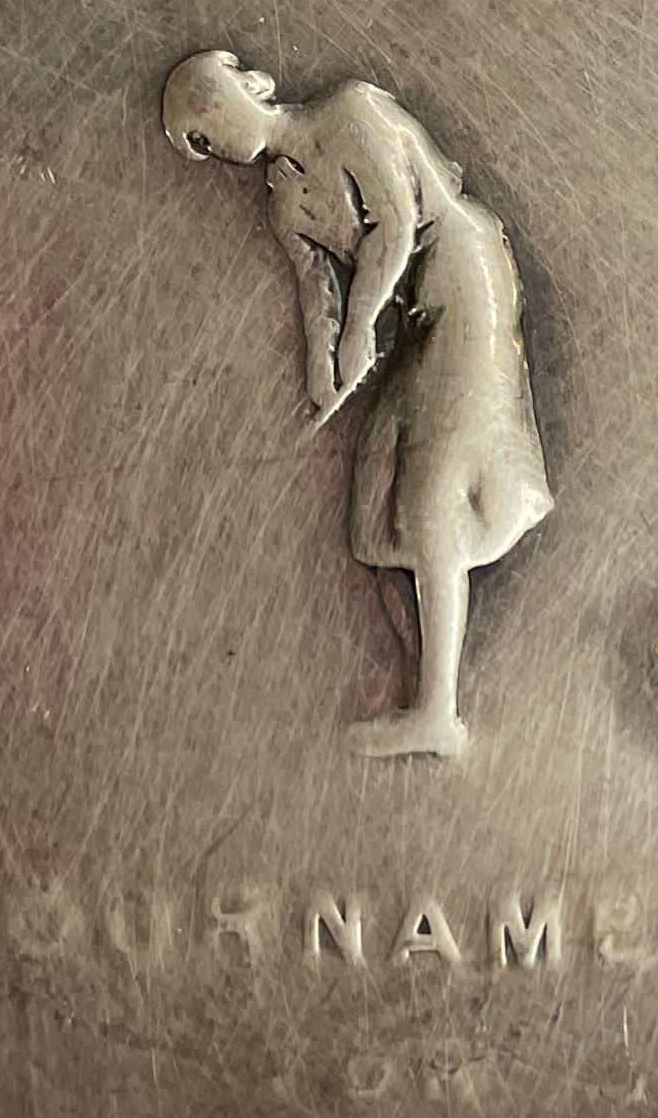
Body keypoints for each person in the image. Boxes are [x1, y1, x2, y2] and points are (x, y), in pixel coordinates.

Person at [162, 50, 550, 759]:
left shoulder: (350, 113)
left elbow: (399, 227)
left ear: (250, 87)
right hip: (409, 324)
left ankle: (439, 713)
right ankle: (417, 676)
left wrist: (366, 325)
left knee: (432, 493)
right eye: (203, 140)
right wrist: (326, 368)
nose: (214, 142)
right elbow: (319, 298)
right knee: (376, 508)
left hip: (461, 283)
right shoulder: (285, 202)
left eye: (210, 112)